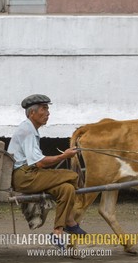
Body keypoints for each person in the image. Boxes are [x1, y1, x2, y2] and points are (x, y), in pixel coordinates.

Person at [8, 94, 87, 243]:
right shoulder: (28, 131)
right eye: (44, 109)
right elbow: (40, 163)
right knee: (73, 176)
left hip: (30, 174)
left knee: (66, 189)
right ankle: (70, 221)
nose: (48, 113)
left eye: (48, 109)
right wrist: (64, 156)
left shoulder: (31, 129)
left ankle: (58, 231)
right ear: (32, 113)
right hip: (25, 176)